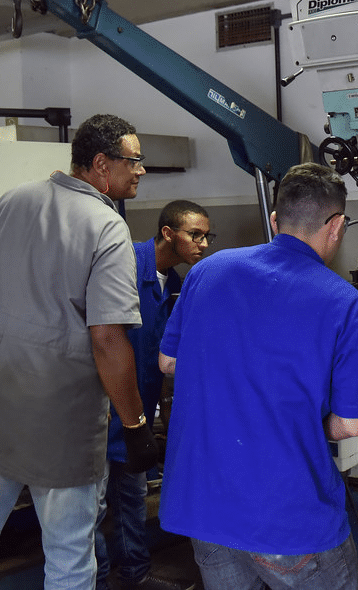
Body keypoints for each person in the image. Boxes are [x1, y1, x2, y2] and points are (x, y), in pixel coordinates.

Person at [0, 114, 159, 590]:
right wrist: (136, 426)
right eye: (134, 161)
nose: (140, 170)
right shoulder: (106, 225)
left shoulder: (10, 201)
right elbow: (107, 338)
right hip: (60, 420)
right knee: (70, 555)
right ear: (102, 164)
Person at [157, 162, 358, 590]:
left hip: (202, 503)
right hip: (286, 514)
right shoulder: (345, 304)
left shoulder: (208, 269)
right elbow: (350, 424)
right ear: (337, 226)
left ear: (276, 220)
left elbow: (168, 363)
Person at [95, 200, 212, 590]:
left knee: (131, 495)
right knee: (89, 507)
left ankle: (135, 575)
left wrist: (159, 411)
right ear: (167, 233)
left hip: (137, 410)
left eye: (207, 236)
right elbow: (103, 340)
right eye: (195, 235)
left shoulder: (174, 284)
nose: (204, 244)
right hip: (103, 409)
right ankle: (92, 581)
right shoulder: (123, 267)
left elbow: (160, 355)